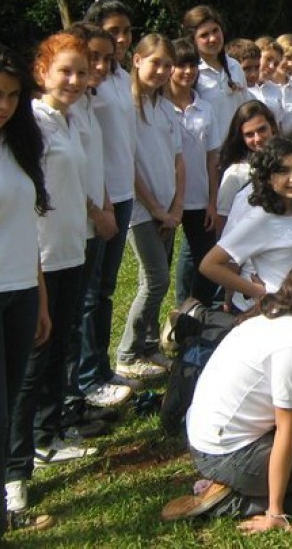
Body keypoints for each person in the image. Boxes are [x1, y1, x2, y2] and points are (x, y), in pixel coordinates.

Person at [165, 249, 292, 532]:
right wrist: (276, 512)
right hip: (225, 452)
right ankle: (228, 500)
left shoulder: (288, 314)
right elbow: (286, 430)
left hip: (228, 431)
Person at [6, 35, 95, 513]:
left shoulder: (70, 118)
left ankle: (49, 434)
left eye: (82, 72)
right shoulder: (31, 122)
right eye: (65, 71)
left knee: (60, 346)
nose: (75, 81)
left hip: (71, 249)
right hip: (38, 259)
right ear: (42, 72)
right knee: (32, 362)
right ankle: (14, 468)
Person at [0, 41, 53, 541]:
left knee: (7, 408)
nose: (3, 105)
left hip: (22, 293)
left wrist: (39, 297)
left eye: (12, 95)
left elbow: (25, 227)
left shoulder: (17, 148)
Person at [78, 0, 141, 403]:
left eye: (126, 31)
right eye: (113, 31)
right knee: (89, 295)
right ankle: (86, 377)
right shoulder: (88, 84)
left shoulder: (120, 77)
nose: (122, 39)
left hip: (122, 193)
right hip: (96, 199)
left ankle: (101, 368)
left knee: (103, 291)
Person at [116, 34, 184, 380]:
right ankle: (127, 353)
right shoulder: (126, 106)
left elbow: (178, 161)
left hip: (167, 212)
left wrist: (175, 207)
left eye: (167, 65)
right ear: (137, 60)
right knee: (156, 280)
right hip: (142, 212)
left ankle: (149, 348)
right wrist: (157, 209)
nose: (161, 70)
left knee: (155, 279)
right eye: (155, 62)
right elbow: (127, 166)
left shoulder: (166, 108)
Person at [201, 136, 292, 314]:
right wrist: (260, 292)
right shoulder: (261, 218)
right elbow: (209, 265)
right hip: (271, 314)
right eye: (283, 171)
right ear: (268, 177)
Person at [167, 38, 219, 306]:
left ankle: (195, 311)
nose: (187, 71)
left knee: (205, 260)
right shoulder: (159, 107)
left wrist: (212, 201)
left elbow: (212, 158)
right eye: (180, 65)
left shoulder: (206, 108)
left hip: (198, 195)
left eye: (192, 65)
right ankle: (177, 311)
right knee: (157, 273)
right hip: (165, 197)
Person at [184, 5, 249, 147]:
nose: (213, 38)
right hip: (207, 154)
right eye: (204, 35)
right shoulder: (190, 73)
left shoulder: (235, 67)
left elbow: (246, 109)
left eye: (215, 31)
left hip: (238, 152)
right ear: (193, 39)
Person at [215, 100, 279, 235]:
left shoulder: (286, 163)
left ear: (272, 126)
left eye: (262, 130)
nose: (257, 139)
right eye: (249, 134)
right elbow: (222, 221)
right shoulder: (236, 174)